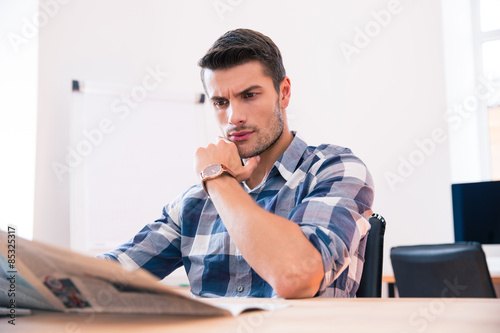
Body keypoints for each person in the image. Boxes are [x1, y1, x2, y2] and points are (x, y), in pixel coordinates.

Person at [100, 28, 374, 299]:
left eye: (249, 95)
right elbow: (105, 277)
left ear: (284, 93)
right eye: (220, 102)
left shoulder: (336, 170)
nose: (234, 117)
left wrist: (217, 179)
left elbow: (296, 277)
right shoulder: (194, 203)